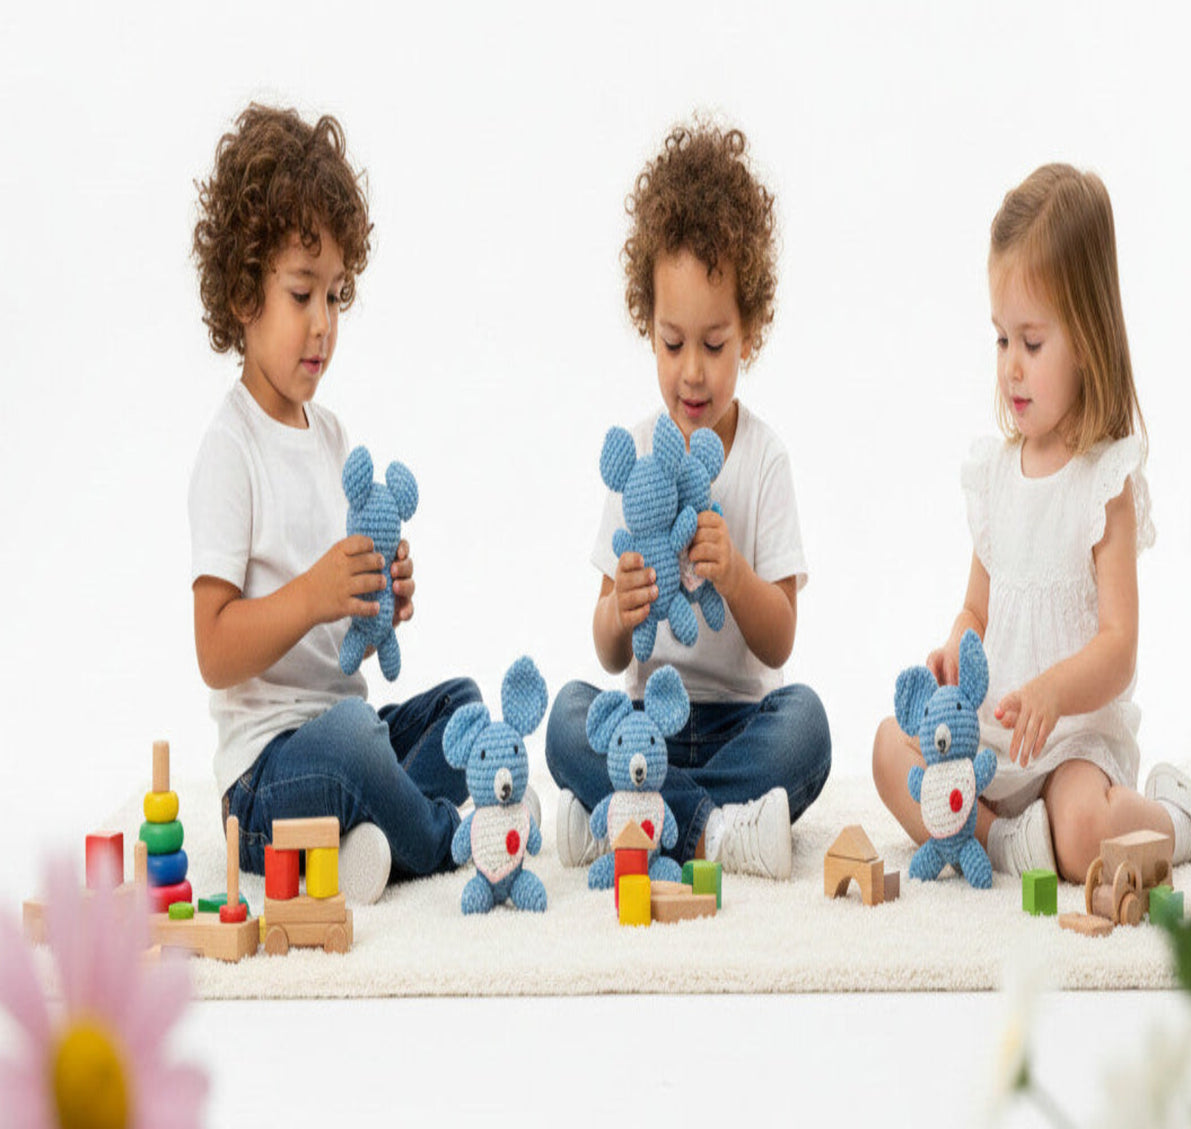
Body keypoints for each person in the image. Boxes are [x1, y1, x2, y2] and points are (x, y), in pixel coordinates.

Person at [873, 164, 1191, 884]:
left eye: (1031, 344)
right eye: (1000, 340)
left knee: (1081, 833)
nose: (1010, 367)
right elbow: (976, 605)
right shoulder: (995, 476)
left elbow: (1118, 646)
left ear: (1088, 338)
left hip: (1069, 742)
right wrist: (955, 647)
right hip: (992, 741)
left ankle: (1180, 820)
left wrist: (1052, 693)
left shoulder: (1104, 482)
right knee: (889, 750)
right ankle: (1003, 841)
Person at [188, 103, 495, 905]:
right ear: (242, 294)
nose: (322, 325)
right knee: (359, 741)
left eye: (335, 296)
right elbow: (214, 649)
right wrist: (315, 592)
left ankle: (368, 839)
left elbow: (337, 635)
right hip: (265, 784)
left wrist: (373, 597)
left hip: (344, 733)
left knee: (459, 704)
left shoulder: (329, 436)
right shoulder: (230, 451)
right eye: (301, 294)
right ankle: (436, 838)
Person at [546, 118, 831, 881]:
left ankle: (635, 818)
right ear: (648, 326)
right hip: (645, 726)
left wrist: (733, 573)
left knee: (807, 725)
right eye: (673, 344)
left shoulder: (765, 459)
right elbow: (607, 653)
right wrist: (622, 608)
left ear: (752, 331)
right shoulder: (635, 456)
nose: (693, 373)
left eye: (715, 344)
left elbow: (778, 643)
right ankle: (712, 828)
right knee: (567, 716)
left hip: (741, 723)